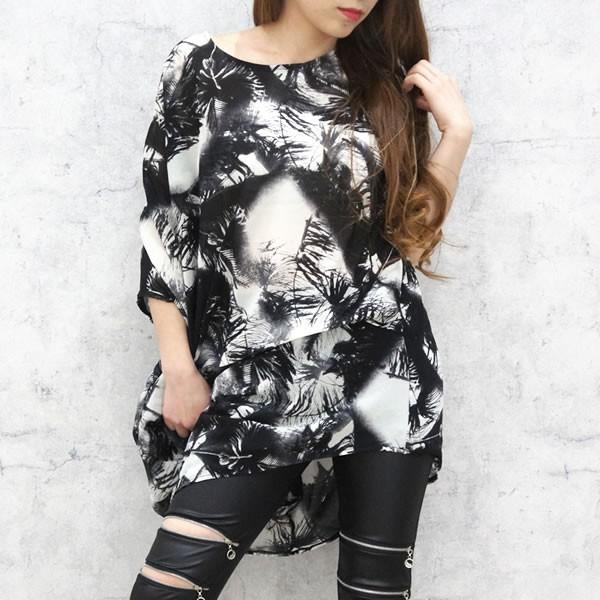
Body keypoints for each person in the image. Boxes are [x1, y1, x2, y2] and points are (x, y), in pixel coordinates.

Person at [129, 0, 473, 598]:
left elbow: (407, 242)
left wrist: (457, 136)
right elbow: (167, 228)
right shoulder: (201, 65)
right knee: (168, 590)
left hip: (386, 372)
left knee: (374, 590)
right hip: (258, 376)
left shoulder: (380, 87)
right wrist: (179, 367)